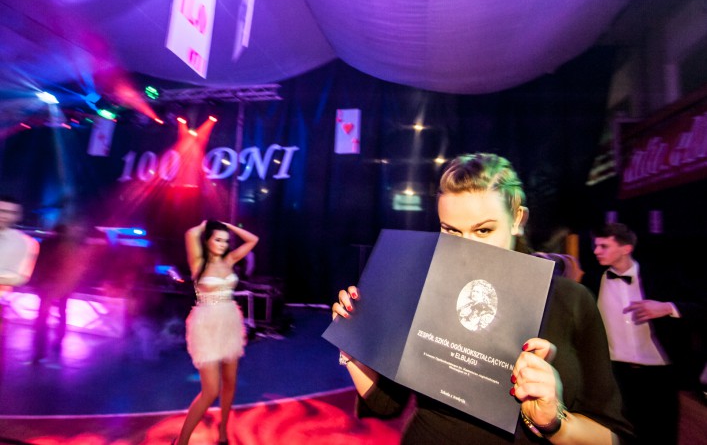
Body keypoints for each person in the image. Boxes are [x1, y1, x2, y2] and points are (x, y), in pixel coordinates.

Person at [332, 153, 633, 444]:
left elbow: (612, 436)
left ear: (517, 219)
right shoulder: (424, 289)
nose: (467, 249)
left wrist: (555, 421)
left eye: (484, 230)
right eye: (451, 231)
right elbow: (386, 404)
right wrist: (352, 343)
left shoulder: (571, 301)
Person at [590, 222, 707, 445]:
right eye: (595, 246)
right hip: (616, 374)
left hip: (659, 375)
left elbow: (701, 308)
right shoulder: (593, 281)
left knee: (661, 434)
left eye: (604, 246)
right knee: (621, 435)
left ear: (626, 248)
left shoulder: (661, 278)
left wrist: (667, 307)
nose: (596, 251)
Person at [174, 219, 259, 445]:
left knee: (230, 382)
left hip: (229, 322)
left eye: (225, 241)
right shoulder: (198, 262)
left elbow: (253, 240)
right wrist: (206, 225)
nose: (222, 244)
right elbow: (191, 233)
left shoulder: (229, 260)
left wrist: (228, 226)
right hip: (206, 325)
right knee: (211, 390)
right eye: (218, 239)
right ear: (208, 240)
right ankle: (181, 441)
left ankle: (222, 434)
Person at [31, 222, 88, 363]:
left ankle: (40, 351)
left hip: (47, 284)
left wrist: (36, 283)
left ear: (53, 232)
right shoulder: (72, 246)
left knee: (43, 317)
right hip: (63, 286)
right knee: (62, 313)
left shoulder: (46, 244)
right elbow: (77, 268)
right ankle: (58, 341)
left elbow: (38, 264)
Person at [0, 195, 39, 295]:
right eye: (2, 211)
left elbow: (21, 278)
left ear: (18, 216)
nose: (4, 216)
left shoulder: (27, 243)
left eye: (11, 212)